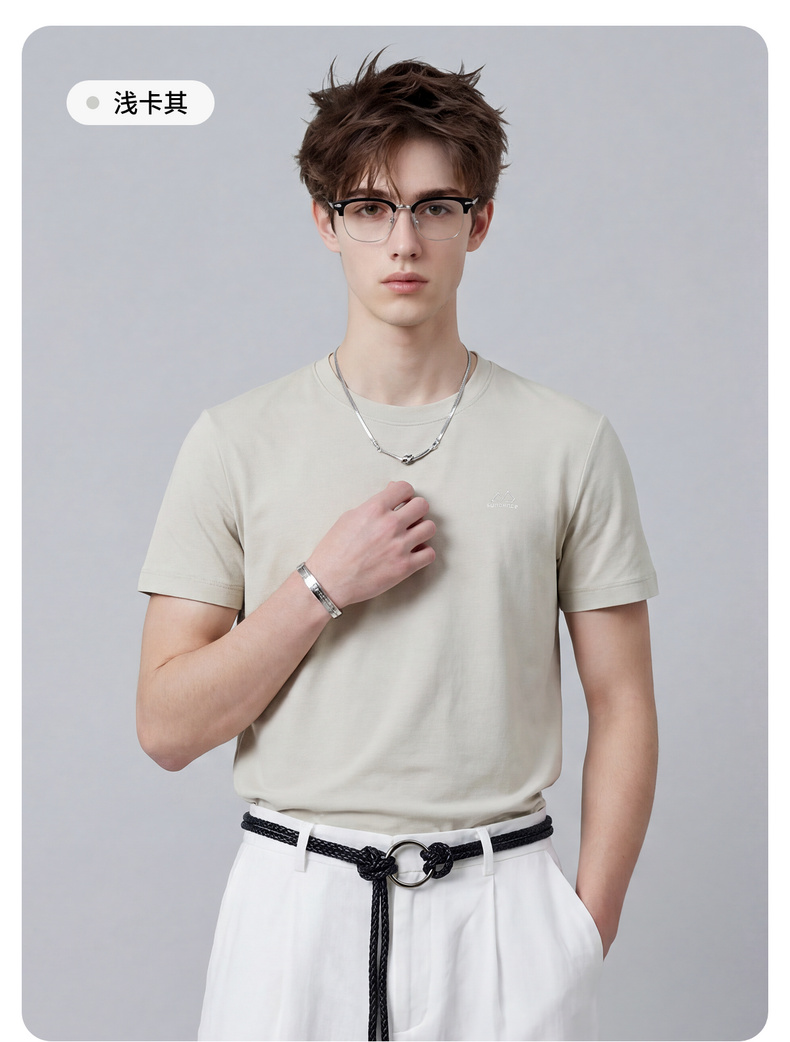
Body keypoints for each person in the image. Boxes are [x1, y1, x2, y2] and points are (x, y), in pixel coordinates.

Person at [136, 54, 658, 1042]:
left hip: (502, 911)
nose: (403, 240)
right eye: (371, 208)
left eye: (434, 207)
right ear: (325, 221)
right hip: (293, 910)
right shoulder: (234, 441)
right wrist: (320, 585)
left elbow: (623, 699)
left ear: (480, 221)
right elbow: (166, 727)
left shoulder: (569, 441)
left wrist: (584, 928)